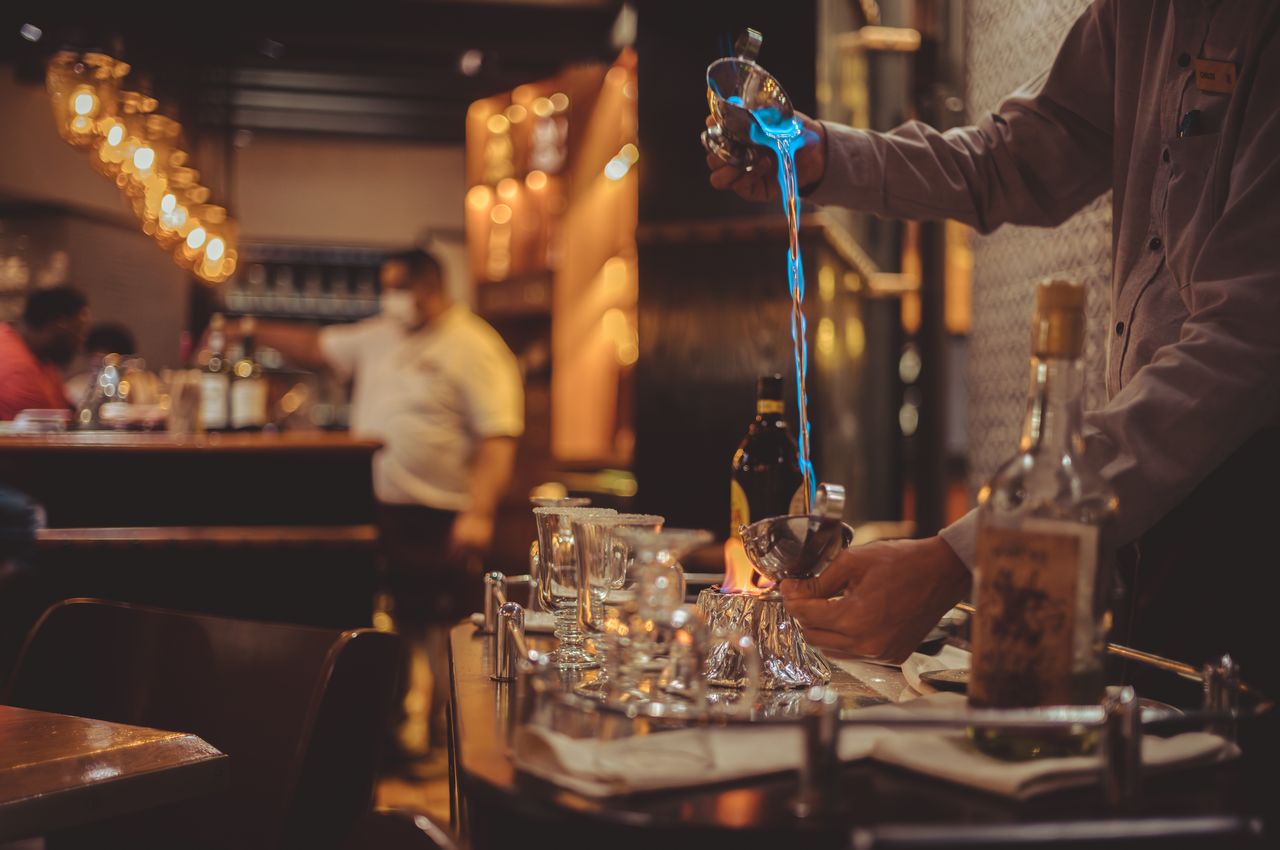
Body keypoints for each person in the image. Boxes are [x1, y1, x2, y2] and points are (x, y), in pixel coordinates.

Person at [707, 1, 1280, 696]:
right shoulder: (1138, 16)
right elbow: (1006, 161)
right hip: (1140, 525)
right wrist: (820, 153)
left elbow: (1246, 348)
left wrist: (961, 557)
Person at [239, 248, 524, 765]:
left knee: (449, 630)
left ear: (432, 288)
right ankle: (402, 734)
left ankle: (450, 740)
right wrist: (248, 327)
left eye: (400, 287)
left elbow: (499, 436)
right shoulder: (377, 336)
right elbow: (314, 346)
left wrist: (479, 512)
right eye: (386, 287)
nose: (390, 298)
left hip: (444, 510)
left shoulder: (474, 346)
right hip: (384, 507)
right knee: (401, 623)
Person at [0, 286, 89, 421]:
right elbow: (48, 435)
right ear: (60, 323)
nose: (81, 341)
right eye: (79, 331)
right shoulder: (19, 369)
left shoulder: (40, 357)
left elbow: (68, 410)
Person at [64, 321, 138, 406]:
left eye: (103, 358)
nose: (96, 362)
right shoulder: (75, 388)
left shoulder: (135, 386)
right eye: (93, 356)